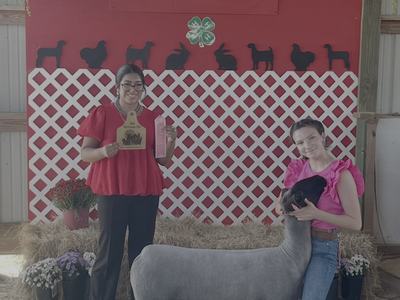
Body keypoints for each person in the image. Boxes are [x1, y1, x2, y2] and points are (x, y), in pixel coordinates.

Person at [77, 64, 177, 300]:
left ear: (143, 89)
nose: (133, 89)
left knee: (142, 253)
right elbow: (85, 153)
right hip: (112, 189)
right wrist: (103, 152)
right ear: (117, 87)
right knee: (108, 253)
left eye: (138, 84)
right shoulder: (102, 114)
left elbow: (164, 160)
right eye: (127, 84)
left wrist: (171, 142)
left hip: (145, 189)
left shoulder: (155, 118)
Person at [276, 117, 364, 300]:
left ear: (322, 137)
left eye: (311, 138)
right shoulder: (298, 168)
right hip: (294, 244)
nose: (306, 145)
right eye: (300, 142)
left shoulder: (340, 174)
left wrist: (316, 213)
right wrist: (282, 206)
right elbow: (281, 202)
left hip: (322, 247)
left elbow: (356, 223)